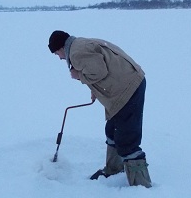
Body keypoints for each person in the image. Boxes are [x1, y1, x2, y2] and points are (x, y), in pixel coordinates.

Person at [48, 30, 152, 188]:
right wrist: (95, 89)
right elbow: (101, 66)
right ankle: (114, 169)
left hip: (127, 88)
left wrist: (79, 76)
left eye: (57, 54)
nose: (60, 58)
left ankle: (141, 187)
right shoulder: (80, 44)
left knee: (127, 139)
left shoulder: (77, 52)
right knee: (112, 130)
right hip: (123, 86)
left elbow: (98, 71)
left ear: (61, 48)